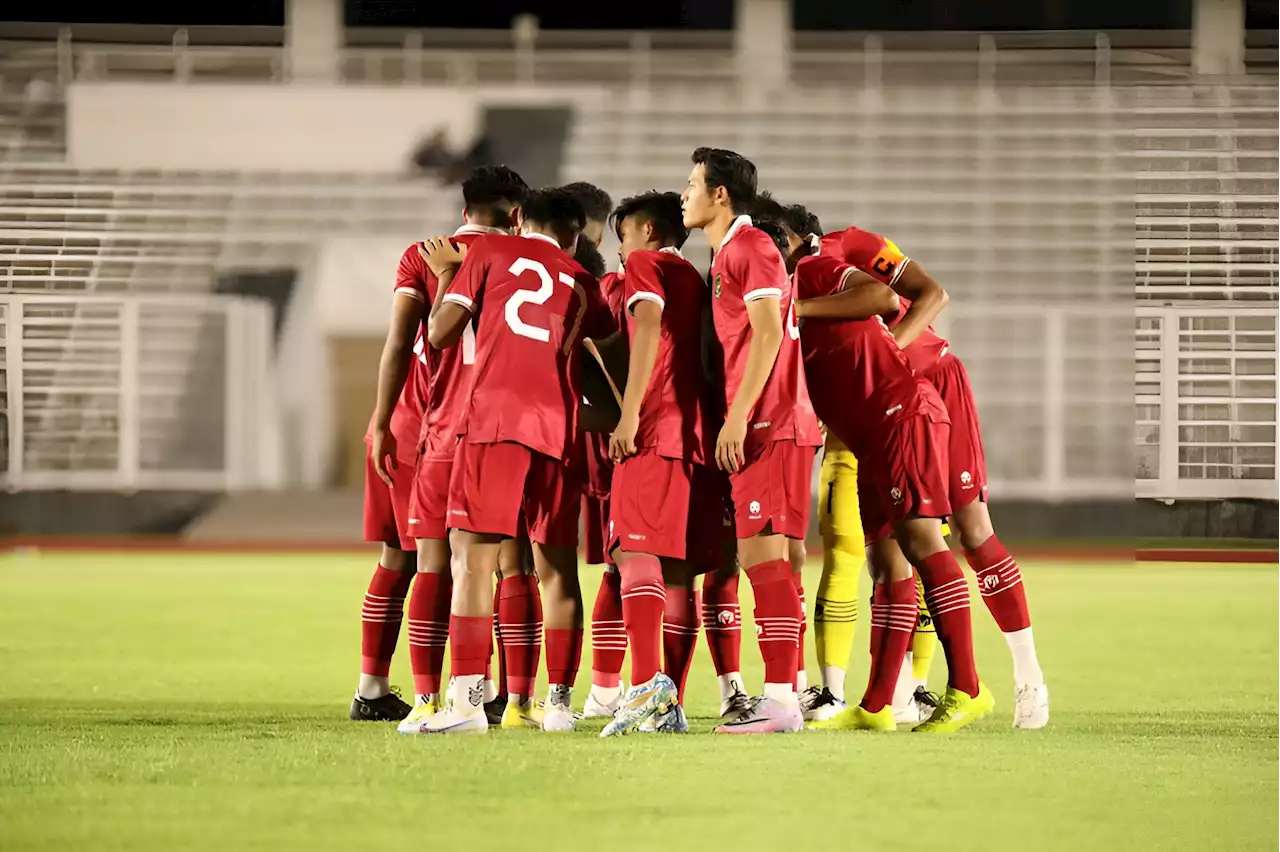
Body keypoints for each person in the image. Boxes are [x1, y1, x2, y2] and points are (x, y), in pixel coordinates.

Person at [783, 204, 1049, 729]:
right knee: (887, 550)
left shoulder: (847, 248)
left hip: (926, 383)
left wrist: (891, 360)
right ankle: (883, 700)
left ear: (797, 237)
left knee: (970, 532)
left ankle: (1028, 678)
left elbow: (933, 295)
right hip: (877, 411)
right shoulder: (787, 290)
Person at [754, 217, 992, 733]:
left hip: (900, 418)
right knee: (886, 563)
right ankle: (879, 704)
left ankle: (968, 687)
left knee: (926, 543)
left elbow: (884, 298)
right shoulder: (775, 312)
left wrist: (800, 307)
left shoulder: (812, 271)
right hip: (869, 439)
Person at [419, 187, 616, 735]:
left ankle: (466, 706)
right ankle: (557, 707)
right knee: (555, 569)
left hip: (496, 421)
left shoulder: (489, 252)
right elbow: (607, 337)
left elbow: (439, 333)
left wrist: (443, 278)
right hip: (559, 429)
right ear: (576, 234)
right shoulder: (581, 278)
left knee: (472, 561)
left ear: (518, 218)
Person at [368, 166, 540, 734]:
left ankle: (414, 695)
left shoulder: (421, 254)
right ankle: (508, 697)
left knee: (417, 557)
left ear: (465, 208)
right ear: (517, 213)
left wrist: (382, 420)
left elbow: (402, 341)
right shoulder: (522, 262)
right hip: (502, 425)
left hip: (421, 425)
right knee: (506, 563)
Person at [680, 148, 822, 734]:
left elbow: (767, 336)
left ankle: (782, 701)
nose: (683, 194)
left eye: (692, 184)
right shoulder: (729, 254)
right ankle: (785, 695)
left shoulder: (750, 247)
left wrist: (737, 418)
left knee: (765, 558)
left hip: (769, 422)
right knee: (777, 560)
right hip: (774, 420)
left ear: (720, 195)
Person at [597, 191, 714, 736]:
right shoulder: (693, 275)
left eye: (622, 237)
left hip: (654, 427)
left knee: (634, 553)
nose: (621, 250)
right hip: (693, 434)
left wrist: (628, 414)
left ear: (645, 231)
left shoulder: (646, 264)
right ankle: (669, 701)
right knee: (674, 574)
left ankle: (644, 689)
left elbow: (645, 328)